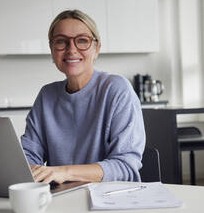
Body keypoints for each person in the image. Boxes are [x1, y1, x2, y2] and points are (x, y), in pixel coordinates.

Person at [21, 9, 145, 184]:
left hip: (110, 200)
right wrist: (24, 167)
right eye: (61, 42)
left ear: (96, 49)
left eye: (82, 41)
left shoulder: (117, 89)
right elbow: (29, 156)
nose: (71, 49)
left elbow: (125, 166)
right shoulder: (46, 96)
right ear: (52, 49)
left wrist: (64, 172)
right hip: (61, 199)